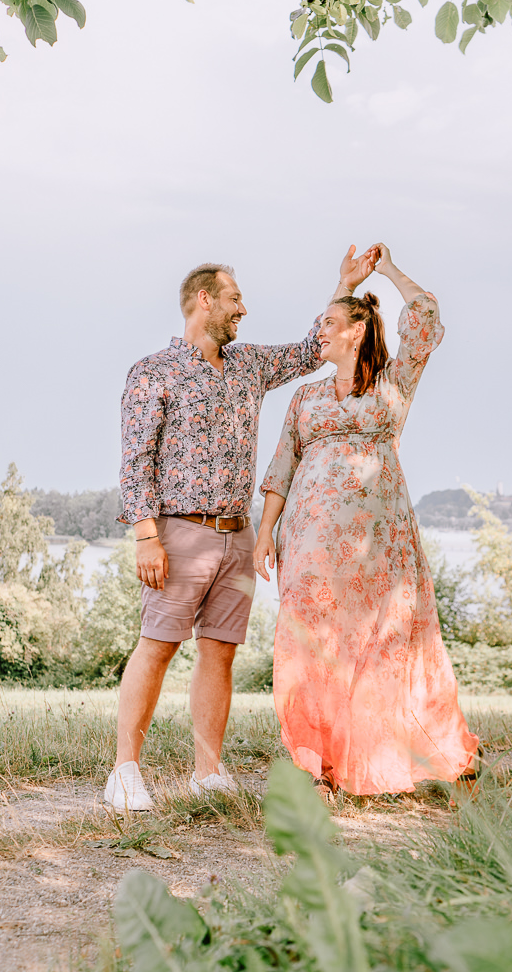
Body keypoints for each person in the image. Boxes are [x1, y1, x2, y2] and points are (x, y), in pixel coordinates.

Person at [105, 246, 379, 811]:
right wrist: (146, 534)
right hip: (178, 533)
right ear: (204, 301)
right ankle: (125, 772)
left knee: (220, 652)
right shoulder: (153, 372)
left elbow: (310, 351)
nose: (243, 310)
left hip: (237, 534)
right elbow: (137, 461)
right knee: (156, 647)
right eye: (234, 299)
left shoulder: (250, 365)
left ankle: (207, 771)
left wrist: (343, 283)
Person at [253, 244, 479, 799]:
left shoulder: (393, 385)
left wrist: (387, 271)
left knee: (385, 641)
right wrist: (264, 533)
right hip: (307, 539)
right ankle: (319, 765)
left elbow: (424, 317)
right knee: (311, 641)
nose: (318, 331)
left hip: (380, 542)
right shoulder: (305, 398)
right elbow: (282, 465)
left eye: (329, 323)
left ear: (356, 330)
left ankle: (411, 752)